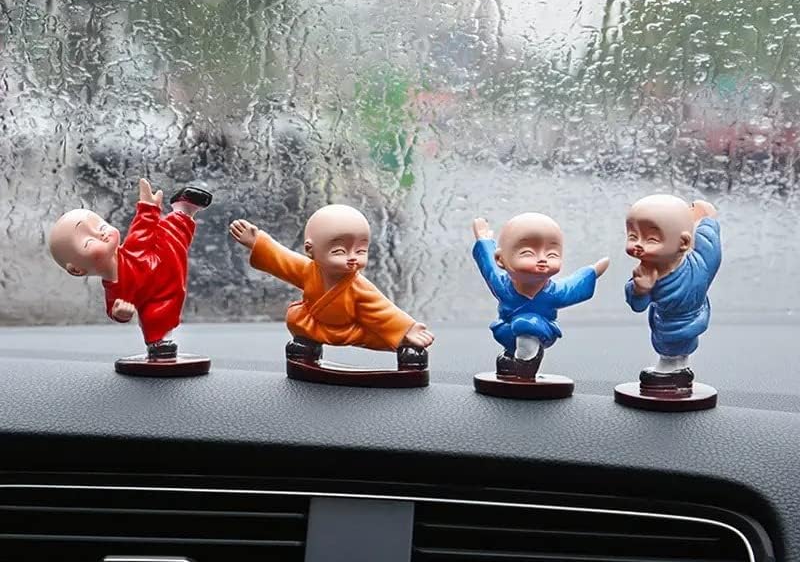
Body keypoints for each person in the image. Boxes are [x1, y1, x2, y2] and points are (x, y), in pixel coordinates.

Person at [229, 204, 434, 367]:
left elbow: (382, 310)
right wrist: (257, 242)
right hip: (314, 326)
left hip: (352, 330)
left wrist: (407, 329)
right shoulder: (308, 270)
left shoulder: (358, 286)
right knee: (295, 317)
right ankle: (306, 346)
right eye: (339, 251)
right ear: (310, 250)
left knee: (386, 337)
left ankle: (407, 348)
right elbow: (283, 259)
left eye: (361, 251)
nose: (352, 258)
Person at [48, 178, 212, 360]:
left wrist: (148, 206)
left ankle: (183, 208)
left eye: (100, 226)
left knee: (173, 231)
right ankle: (159, 344)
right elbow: (115, 308)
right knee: (157, 318)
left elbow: (142, 227)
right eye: (89, 241)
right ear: (77, 270)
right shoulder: (115, 287)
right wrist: (120, 313)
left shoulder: (132, 248)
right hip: (160, 296)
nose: (101, 234)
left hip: (165, 253)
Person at [472, 212, 609, 378]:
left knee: (525, 324)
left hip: (540, 329)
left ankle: (527, 363)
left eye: (552, 254)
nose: (542, 259)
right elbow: (488, 266)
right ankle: (510, 357)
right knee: (513, 339)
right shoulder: (502, 286)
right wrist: (484, 241)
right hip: (507, 329)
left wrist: (592, 272)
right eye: (528, 253)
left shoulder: (554, 293)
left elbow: (573, 285)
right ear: (501, 259)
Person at [624, 194, 721, 387]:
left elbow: (711, 247)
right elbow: (711, 246)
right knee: (676, 347)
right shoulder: (648, 273)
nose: (638, 245)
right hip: (675, 321)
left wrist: (705, 220)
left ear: (683, 242)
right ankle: (680, 368)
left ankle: (669, 369)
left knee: (670, 347)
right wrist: (639, 289)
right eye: (633, 236)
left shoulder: (698, 268)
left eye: (651, 239)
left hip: (673, 325)